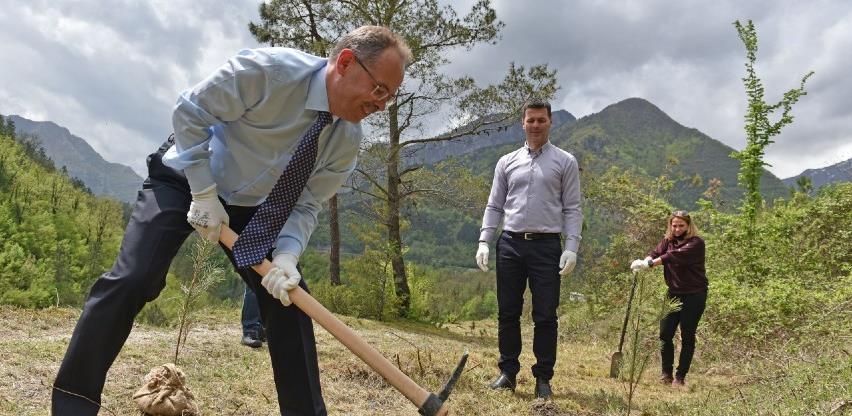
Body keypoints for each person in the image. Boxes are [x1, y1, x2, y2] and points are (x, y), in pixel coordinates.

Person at [52, 26, 411, 415]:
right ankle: (74, 402)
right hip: (185, 177)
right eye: (378, 90)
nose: (380, 105)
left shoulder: (345, 140)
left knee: (290, 302)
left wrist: (287, 258)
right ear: (345, 63)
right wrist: (204, 192)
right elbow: (189, 111)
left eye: (389, 98)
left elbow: (307, 203)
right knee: (134, 277)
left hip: (252, 208)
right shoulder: (269, 72)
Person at [475, 99, 583, 399]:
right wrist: (485, 239)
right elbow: (494, 204)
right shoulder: (506, 162)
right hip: (509, 244)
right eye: (531, 120)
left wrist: (571, 246)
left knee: (545, 314)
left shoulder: (565, 162)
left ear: (550, 122)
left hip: (546, 246)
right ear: (522, 122)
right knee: (507, 312)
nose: (535, 125)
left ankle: (543, 379)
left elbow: (573, 208)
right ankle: (508, 372)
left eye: (541, 120)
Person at [630, 210, 708, 387]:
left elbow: (672, 257)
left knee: (687, 335)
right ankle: (666, 374)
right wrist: (645, 260)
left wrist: (649, 264)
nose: (677, 228)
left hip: (694, 295)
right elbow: (656, 252)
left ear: (689, 226)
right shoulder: (668, 241)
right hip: (673, 293)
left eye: (681, 225)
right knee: (665, 334)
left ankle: (680, 377)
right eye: (674, 225)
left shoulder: (696, 243)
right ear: (670, 225)